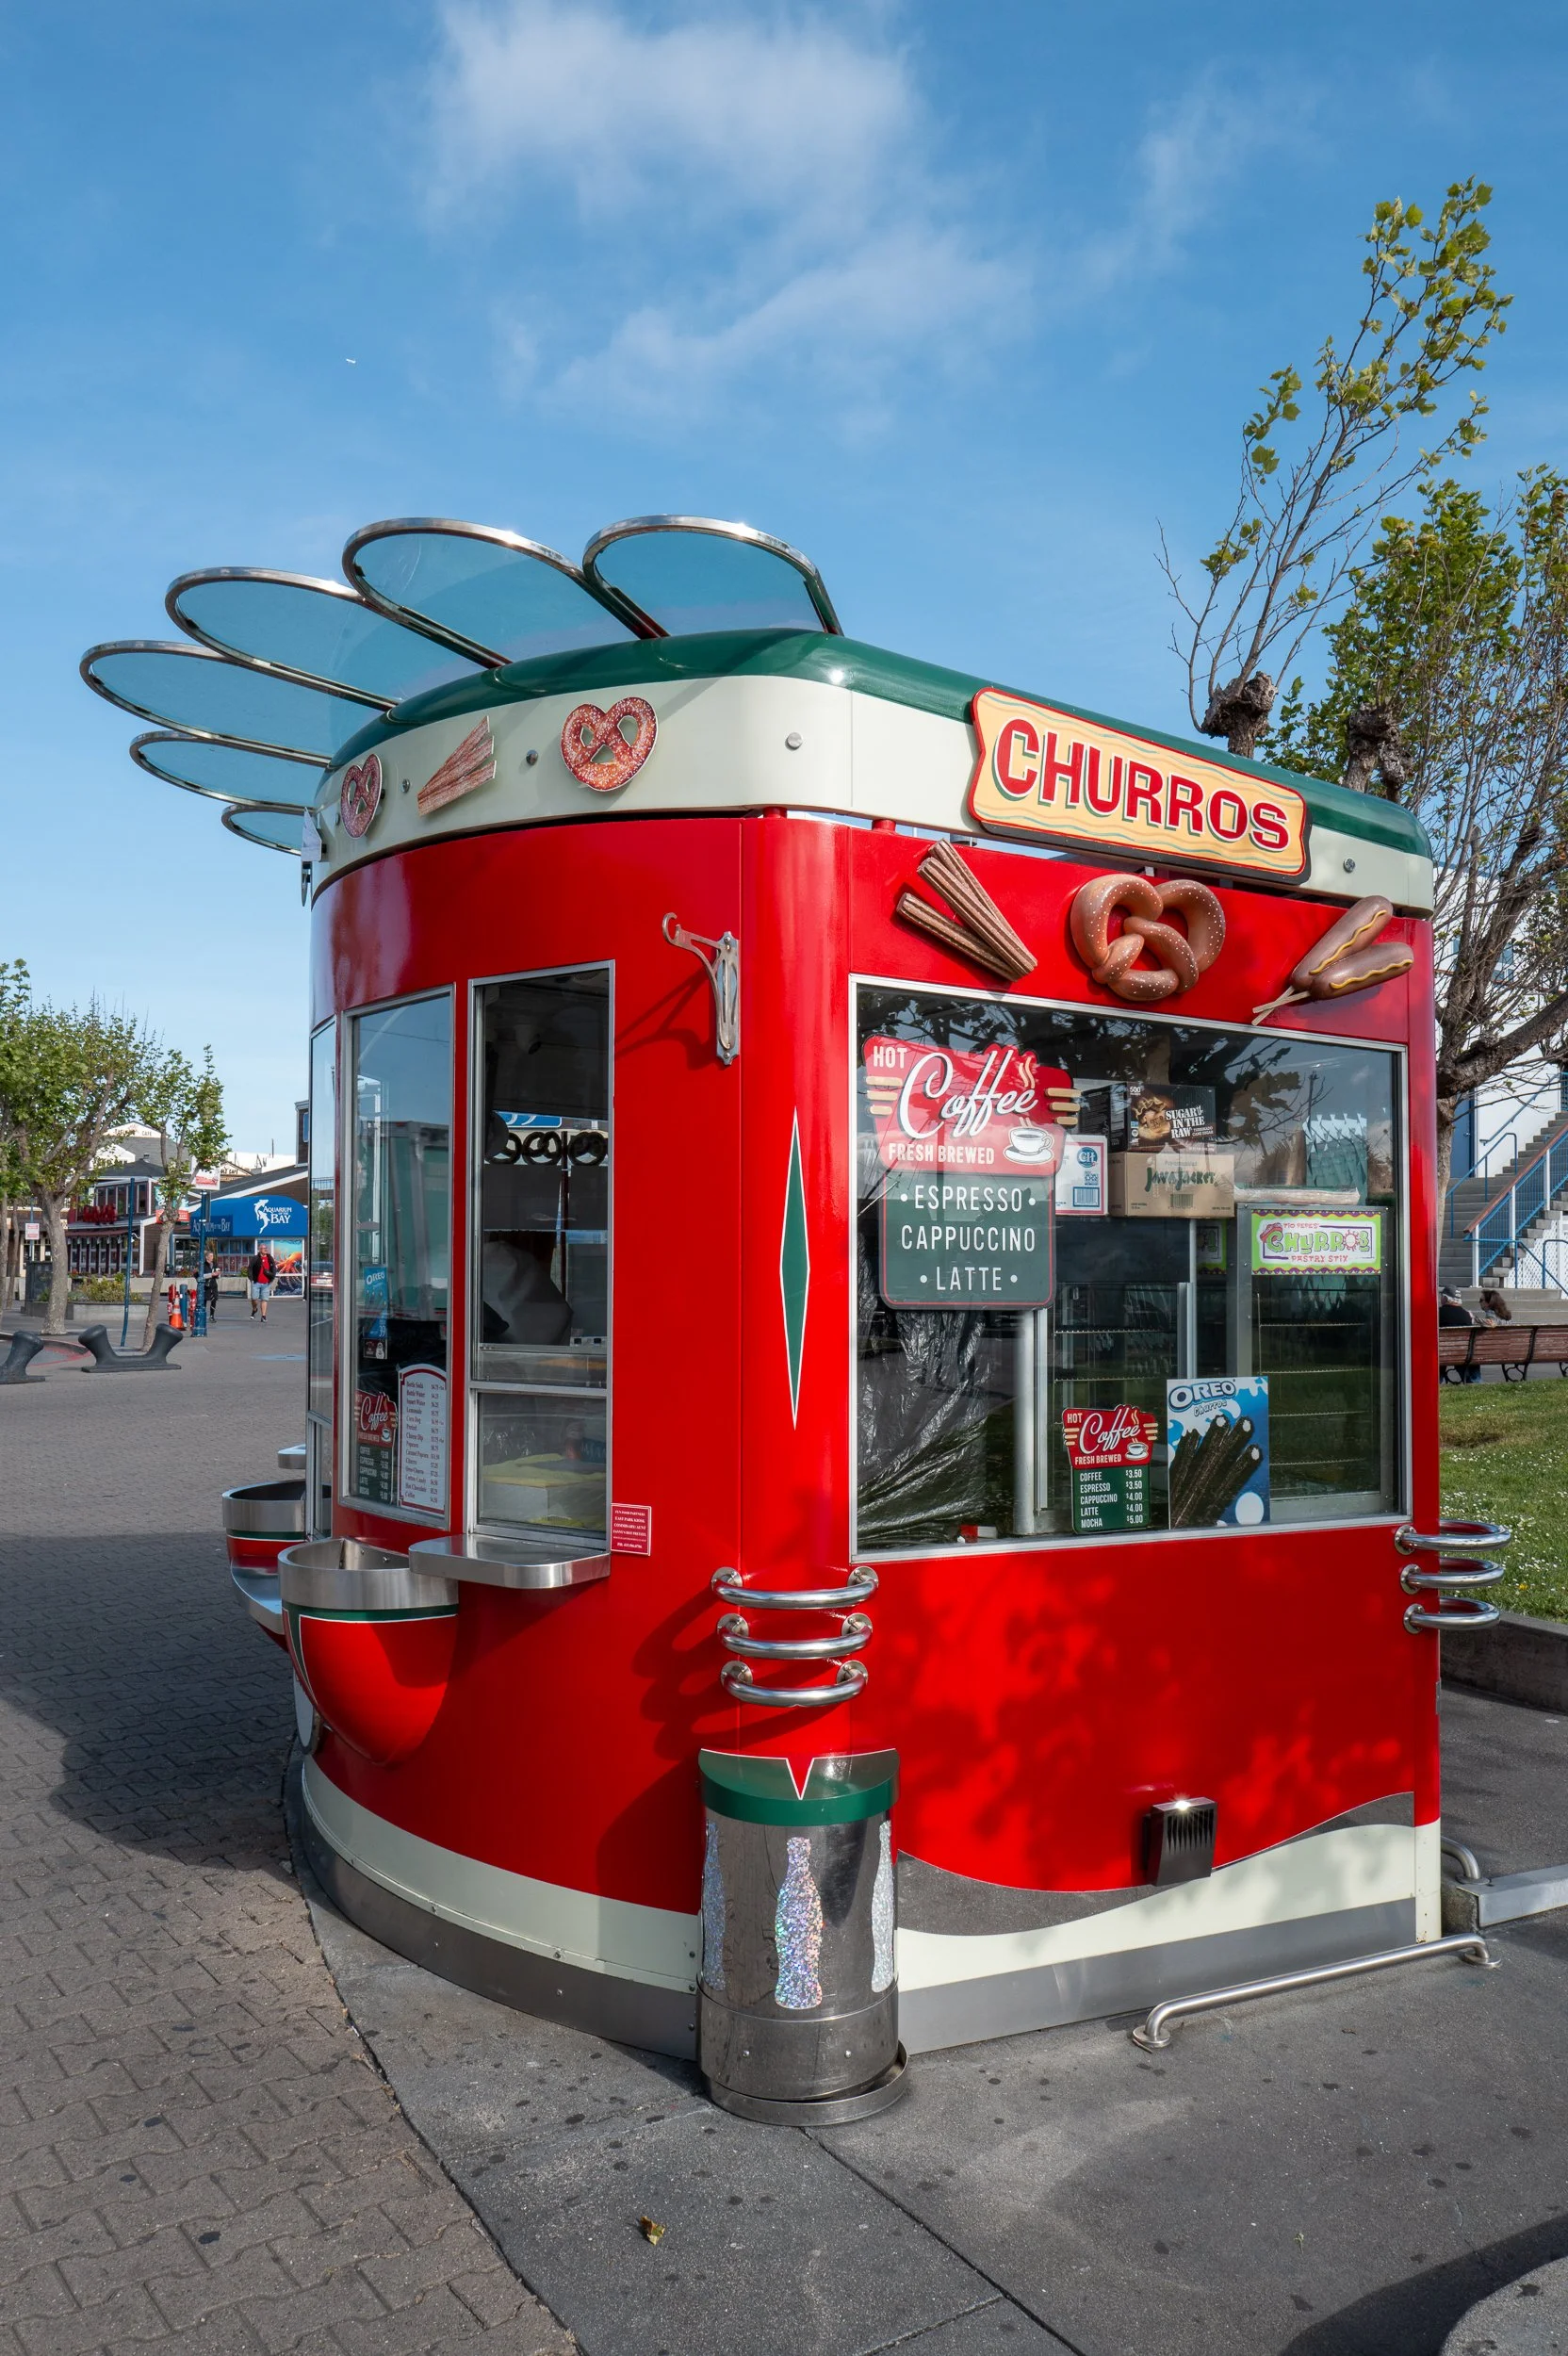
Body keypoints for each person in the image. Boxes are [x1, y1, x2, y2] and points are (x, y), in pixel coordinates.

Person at [1439, 1285, 1481, 1382]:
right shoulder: (1467, 1315)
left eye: (1441, 1296)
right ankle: (1474, 1381)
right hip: (1464, 1353)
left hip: (1442, 1354)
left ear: (1445, 1298)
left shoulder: (1438, 1314)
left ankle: (1437, 1379)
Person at [247, 1244, 277, 1322]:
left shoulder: (270, 1258)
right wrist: (251, 1278)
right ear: (260, 1249)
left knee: (264, 1299)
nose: (265, 1250)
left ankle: (263, 1316)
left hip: (266, 1283)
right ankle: (254, 1309)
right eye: (264, 1248)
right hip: (256, 1282)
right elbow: (250, 1268)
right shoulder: (255, 1258)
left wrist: (273, 1276)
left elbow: (273, 1267)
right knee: (254, 1299)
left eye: (266, 1248)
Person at [204, 1250, 220, 1324]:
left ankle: (212, 1316)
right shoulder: (203, 1265)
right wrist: (211, 1275)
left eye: (213, 1256)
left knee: (214, 1300)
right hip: (206, 1286)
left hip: (213, 1286)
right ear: (207, 1257)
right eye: (211, 1256)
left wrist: (218, 1274)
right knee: (204, 1301)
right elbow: (201, 1276)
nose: (212, 1257)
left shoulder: (215, 1264)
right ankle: (202, 1315)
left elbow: (218, 1275)